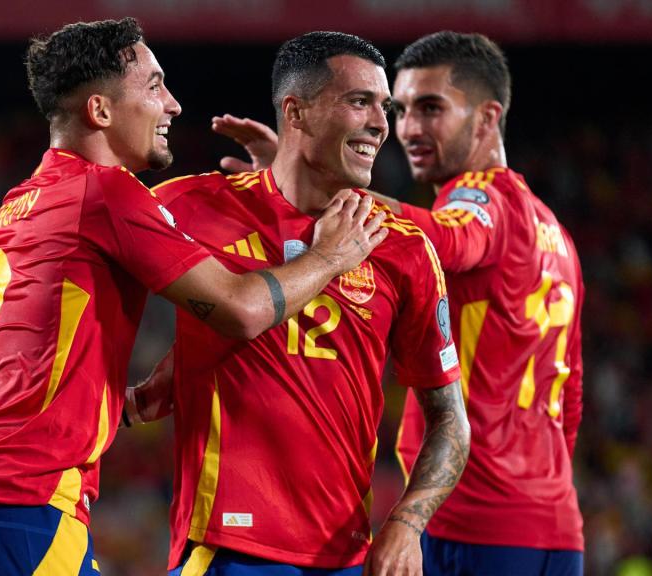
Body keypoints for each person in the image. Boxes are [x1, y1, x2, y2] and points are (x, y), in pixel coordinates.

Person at [0, 31, 470, 576]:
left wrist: (406, 521)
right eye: (363, 102)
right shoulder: (180, 203)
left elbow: (447, 417)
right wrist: (329, 255)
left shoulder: (405, 246)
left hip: (343, 548)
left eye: (389, 106)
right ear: (296, 111)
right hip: (208, 542)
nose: (384, 122)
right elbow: (230, 303)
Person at [210, 30, 585, 576]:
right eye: (401, 108)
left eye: (430, 109)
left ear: (486, 119)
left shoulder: (481, 197)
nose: (407, 128)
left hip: (473, 522)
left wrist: (313, 181)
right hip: (555, 526)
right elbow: (570, 397)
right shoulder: (557, 234)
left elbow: (451, 240)